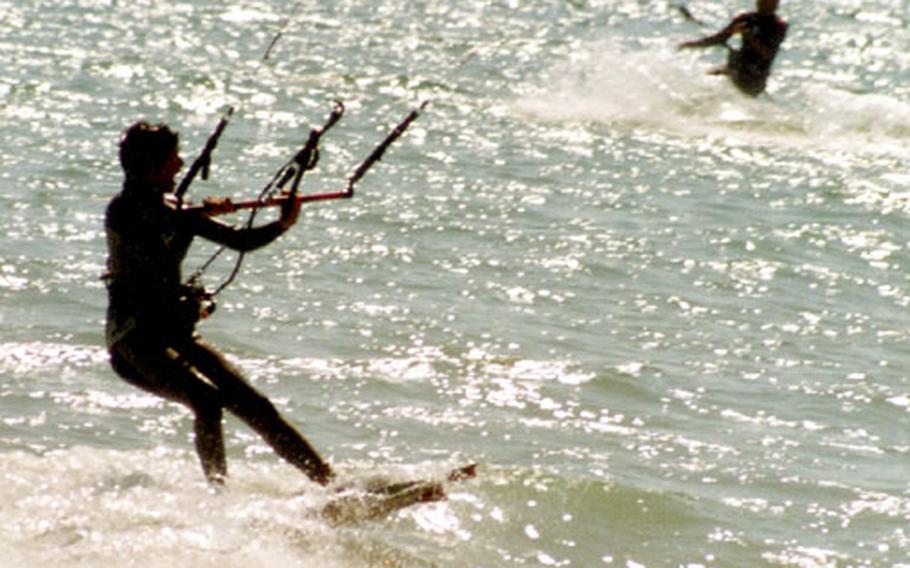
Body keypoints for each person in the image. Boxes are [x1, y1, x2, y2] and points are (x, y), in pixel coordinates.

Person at [104, 121, 334, 486]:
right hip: (134, 341)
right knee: (207, 402)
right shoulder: (124, 210)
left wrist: (196, 217)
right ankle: (218, 493)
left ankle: (328, 483)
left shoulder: (174, 211)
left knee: (253, 404)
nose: (180, 165)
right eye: (172, 159)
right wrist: (281, 225)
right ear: (151, 166)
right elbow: (156, 224)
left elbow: (237, 240)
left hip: (172, 335)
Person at [678, 0, 788, 97]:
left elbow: (767, 54)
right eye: (761, 1)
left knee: (733, 60)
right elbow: (720, 38)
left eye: (769, 1)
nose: (763, 4)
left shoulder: (778, 26)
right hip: (738, 67)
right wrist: (692, 45)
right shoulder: (746, 19)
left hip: (755, 78)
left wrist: (749, 36)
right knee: (726, 58)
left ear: (776, 3)